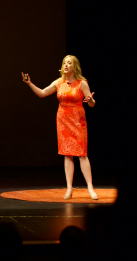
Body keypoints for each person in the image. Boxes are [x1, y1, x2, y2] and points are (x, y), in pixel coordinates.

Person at [21, 55, 97, 200]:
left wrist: (91, 100)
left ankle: (90, 187)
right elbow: (42, 93)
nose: (66, 65)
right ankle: (69, 188)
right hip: (63, 121)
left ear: (75, 66)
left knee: (82, 154)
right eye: (64, 63)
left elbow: (91, 103)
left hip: (78, 121)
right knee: (67, 154)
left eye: (69, 63)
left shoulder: (82, 83)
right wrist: (29, 83)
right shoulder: (59, 82)